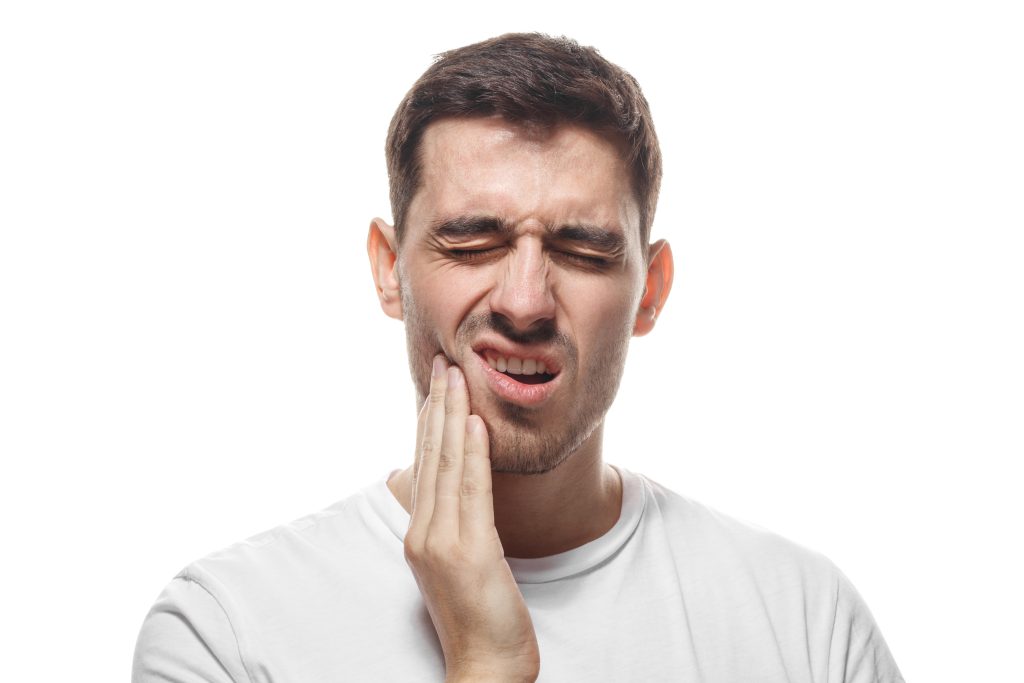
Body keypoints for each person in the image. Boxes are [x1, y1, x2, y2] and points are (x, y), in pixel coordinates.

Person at [132, 33, 904, 682]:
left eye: (583, 250)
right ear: (387, 269)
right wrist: (484, 661)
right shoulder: (225, 631)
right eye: (472, 242)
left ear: (651, 290)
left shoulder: (807, 622)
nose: (526, 301)